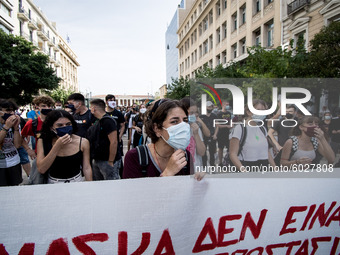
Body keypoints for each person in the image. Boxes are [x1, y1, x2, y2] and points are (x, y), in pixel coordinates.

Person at [123, 99, 193, 178]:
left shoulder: (185, 156)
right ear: (157, 128)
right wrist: (167, 173)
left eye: (185, 120)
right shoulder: (135, 157)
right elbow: (133, 190)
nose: (183, 126)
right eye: (174, 122)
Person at [36, 110, 92, 183]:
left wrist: (90, 184)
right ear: (51, 127)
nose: (65, 127)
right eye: (60, 125)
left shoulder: (83, 142)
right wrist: (57, 146)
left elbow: (86, 167)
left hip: (76, 181)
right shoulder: (43, 141)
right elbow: (42, 169)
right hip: (54, 182)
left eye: (68, 124)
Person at [229, 99, 275, 172]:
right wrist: (244, 170)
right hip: (246, 168)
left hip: (263, 169)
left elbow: (266, 151)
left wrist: (275, 168)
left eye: (264, 110)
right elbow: (232, 154)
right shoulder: (240, 129)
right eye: (258, 110)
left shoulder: (262, 128)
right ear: (249, 112)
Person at [89, 99, 120, 180]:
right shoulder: (98, 121)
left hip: (107, 161)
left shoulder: (108, 121)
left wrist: (110, 161)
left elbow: (114, 142)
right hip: (98, 159)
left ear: (94, 108)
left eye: (90, 107)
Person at [0, 99, 23, 186]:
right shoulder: (7, 125)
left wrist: (16, 128)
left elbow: (17, 145)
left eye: (13, 110)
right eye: (8, 110)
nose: (12, 113)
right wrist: (6, 127)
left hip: (14, 162)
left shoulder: (15, 124)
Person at [180, 97, 206, 170]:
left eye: (196, 112)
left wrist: (196, 134)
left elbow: (202, 152)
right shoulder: (177, 131)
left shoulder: (196, 128)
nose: (194, 115)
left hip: (196, 170)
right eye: (191, 113)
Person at [213, 101, 236, 166]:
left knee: (230, 148)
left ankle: (229, 161)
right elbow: (217, 124)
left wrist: (232, 125)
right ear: (223, 105)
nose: (228, 105)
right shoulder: (218, 114)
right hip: (221, 133)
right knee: (221, 148)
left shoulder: (229, 113)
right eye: (226, 104)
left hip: (228, 133)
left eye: (228, 104)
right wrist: (226, 126)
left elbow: (232, 121)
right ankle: (220, 162)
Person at [200, 101, 216, 167]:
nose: (210, 108)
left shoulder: (214, 116)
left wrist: (215, 134)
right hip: (204, 137)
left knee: (212, 152)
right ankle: (204, 166)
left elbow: (217, 125)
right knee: (204, 153)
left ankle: (212, 166)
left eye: (211, 107)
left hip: (212, 136)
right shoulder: (201, 116)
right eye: (208, 107)